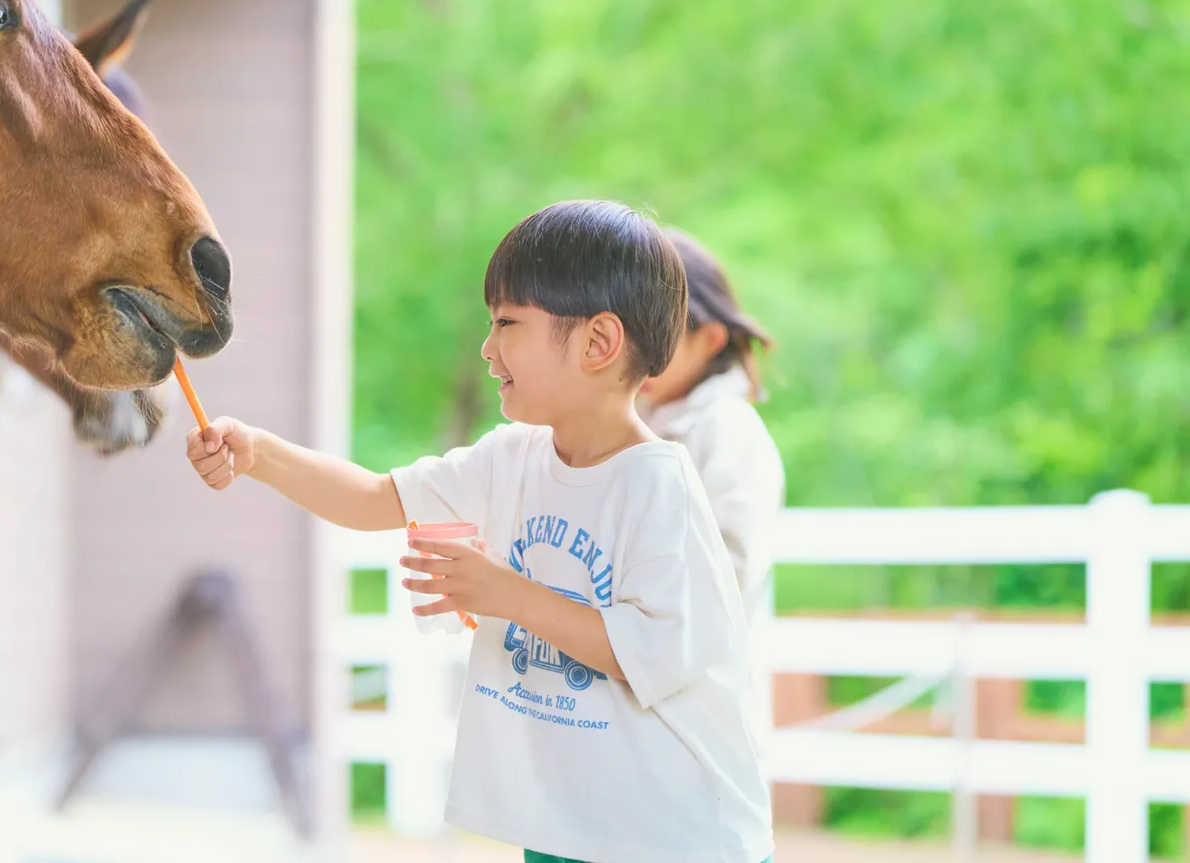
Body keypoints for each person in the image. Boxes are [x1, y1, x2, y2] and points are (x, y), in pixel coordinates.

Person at [186, 200, 772, 863]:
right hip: (567, 821)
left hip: (673, 835)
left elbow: (653, 651)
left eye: (507, 323)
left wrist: (505, 593)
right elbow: (378, 498)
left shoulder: (660, 485)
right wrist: (260, 454)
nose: (488, 347)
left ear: (597, 343)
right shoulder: (509, 458)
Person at [639, 229, 784, 733]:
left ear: (711, 338)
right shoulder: (636, 416)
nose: (636, 348)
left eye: (659, 331)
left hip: (697, 709)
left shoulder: (727, 429)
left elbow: (730, 570)